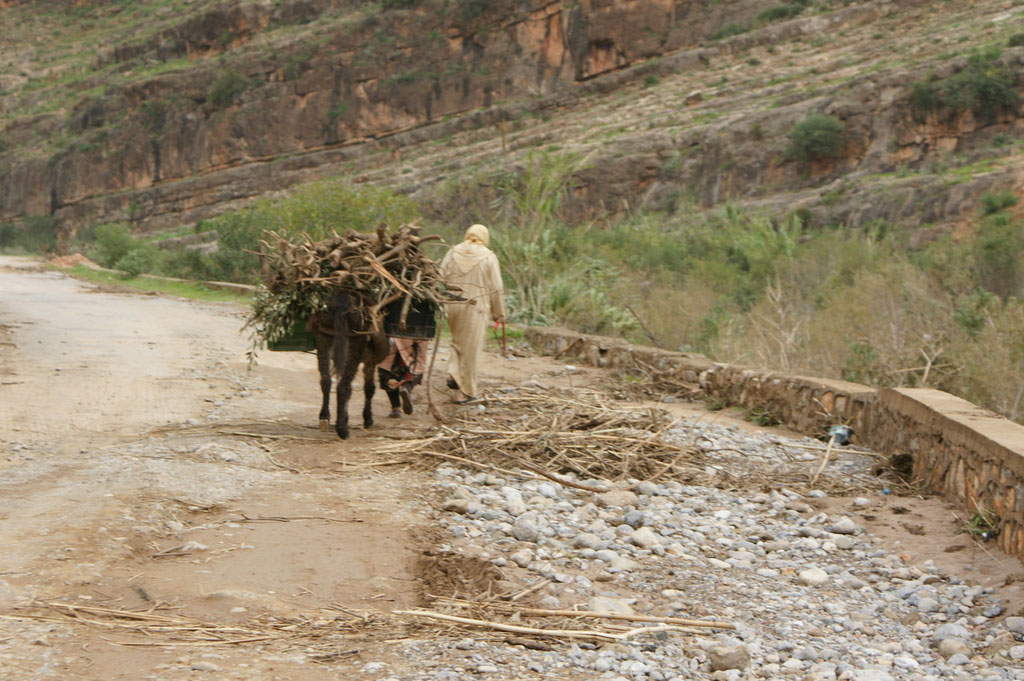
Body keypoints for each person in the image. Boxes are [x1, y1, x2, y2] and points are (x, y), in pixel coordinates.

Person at [440, 223, 507, 404]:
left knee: (456, 342)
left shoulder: (453, 251)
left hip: (452, 305)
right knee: (471, 349)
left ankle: (453, 373)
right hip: (475, 308)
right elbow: (496, 288)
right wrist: (499, 313)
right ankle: (465, 391)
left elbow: (440, 275)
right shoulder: (488, 256)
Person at [378, 337, 429, 417]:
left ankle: (396, 408)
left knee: (387, 371)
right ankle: (406, 387)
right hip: (416, 337)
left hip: (393, 338)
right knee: (417, 367)